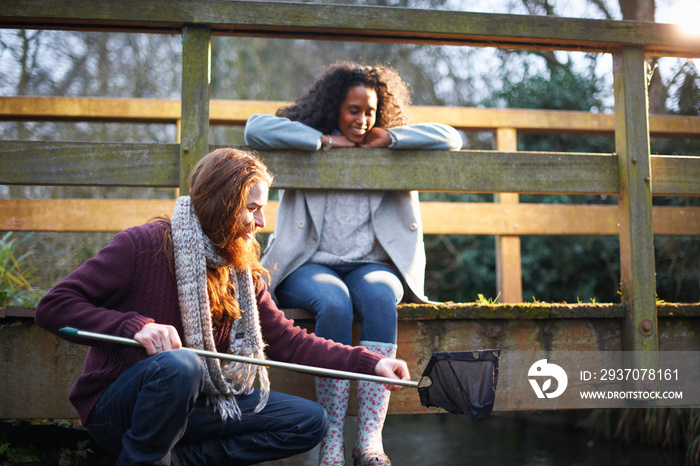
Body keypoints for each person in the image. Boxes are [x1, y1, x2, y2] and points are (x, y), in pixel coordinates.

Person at [34, 148, 410, 466]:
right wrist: (134, 326)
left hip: (196, 407)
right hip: (118, 410)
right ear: (223, 202)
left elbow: (287, 341)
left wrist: (371, 363)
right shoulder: (143, 244)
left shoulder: (241, 267)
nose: (262, 221)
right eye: (253, 208)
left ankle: (177, 458)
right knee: (181, 365)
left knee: (309, 421)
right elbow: (53, 307)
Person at [244, 62, 462, 466]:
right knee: (335, 301)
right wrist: (325, 143)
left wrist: (391, 137)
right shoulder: (310, 143)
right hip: (309, 265)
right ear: (334, 109)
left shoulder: (390, 147)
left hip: (371, 266)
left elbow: (451, 138)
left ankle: (369, 441)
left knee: (380, 296)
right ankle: (330, 443)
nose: (362, 120)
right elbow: (255, 129)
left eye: (370, 111)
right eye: (352, 110)